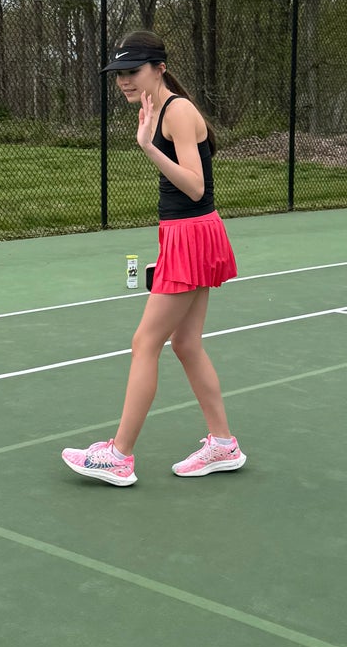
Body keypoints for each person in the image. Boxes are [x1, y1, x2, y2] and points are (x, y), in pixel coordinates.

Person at [63, 30, 244, 487]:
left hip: (192, 235)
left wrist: (146, 147)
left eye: (133, 71)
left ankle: (119, 455)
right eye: (120, 74)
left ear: (159, 68)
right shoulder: (156, 110)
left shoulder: (177, 112)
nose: (124, 81)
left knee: (145, 342)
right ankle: (223, 444)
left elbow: (196, 187)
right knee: (185, 343)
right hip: (186, 236)